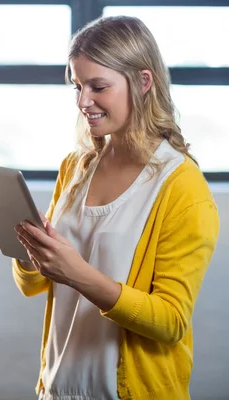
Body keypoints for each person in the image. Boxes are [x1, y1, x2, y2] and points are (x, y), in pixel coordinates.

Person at [12, 16, 219, 400]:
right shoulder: (76, 167)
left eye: (98, 86)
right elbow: (35, 284)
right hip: (58, 389)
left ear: (143, 82)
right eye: (77, 86)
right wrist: (30, 250)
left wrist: (78, 274)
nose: (82, 101)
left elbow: (171, 320)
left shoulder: (182, 186)